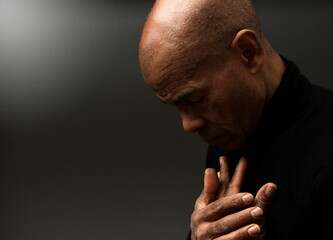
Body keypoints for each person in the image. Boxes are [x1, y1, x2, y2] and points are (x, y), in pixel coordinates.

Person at [138, 0, 333, 239]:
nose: (188, 125)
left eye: (196, 99)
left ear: (248, 52)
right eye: (175, 105)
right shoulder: (233, 130)